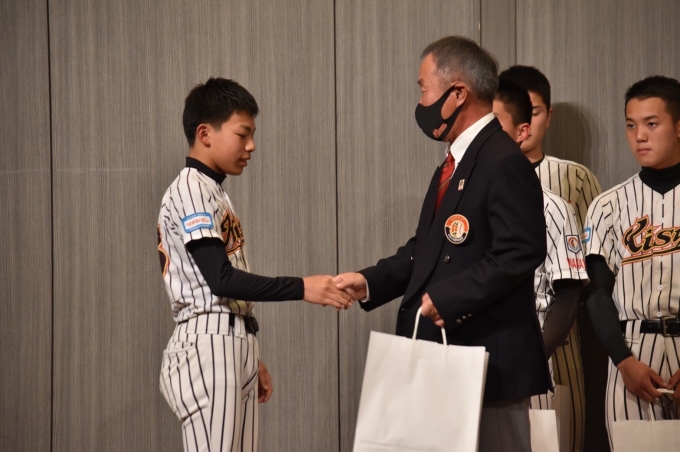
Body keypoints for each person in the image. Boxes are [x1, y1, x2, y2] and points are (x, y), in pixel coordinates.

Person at [335, 36, 550, 452]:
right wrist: (370, 281)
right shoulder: (456, 163)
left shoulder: (503, 160)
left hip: (490, 366)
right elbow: (427, 248)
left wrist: (449, 297)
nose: (420, 101)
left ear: (457, 93)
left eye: (423, 88)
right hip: (450, 362)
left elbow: (520, 252)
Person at [156, 77, 352, 452]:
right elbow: (221, 279)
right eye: (242, 134)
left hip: (229, 341)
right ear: (205, 133)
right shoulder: (191, 188)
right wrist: (302, 287)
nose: (251, 146)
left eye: (252, 135)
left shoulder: (212, 190)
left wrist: (248, 351)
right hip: (209, 344)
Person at [501, 65, 607, 451]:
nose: (525, 124)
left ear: (547, 115)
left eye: (533, 112)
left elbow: (587, 273)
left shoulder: (571, 180)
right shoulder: (477, 184)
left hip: (558, 342)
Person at [583, 75, 680, 449]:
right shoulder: (607, 206)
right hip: (633, 353)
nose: (639, 136)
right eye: (631, 125)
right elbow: (596, 293)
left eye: (651, 124)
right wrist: (623, 361)